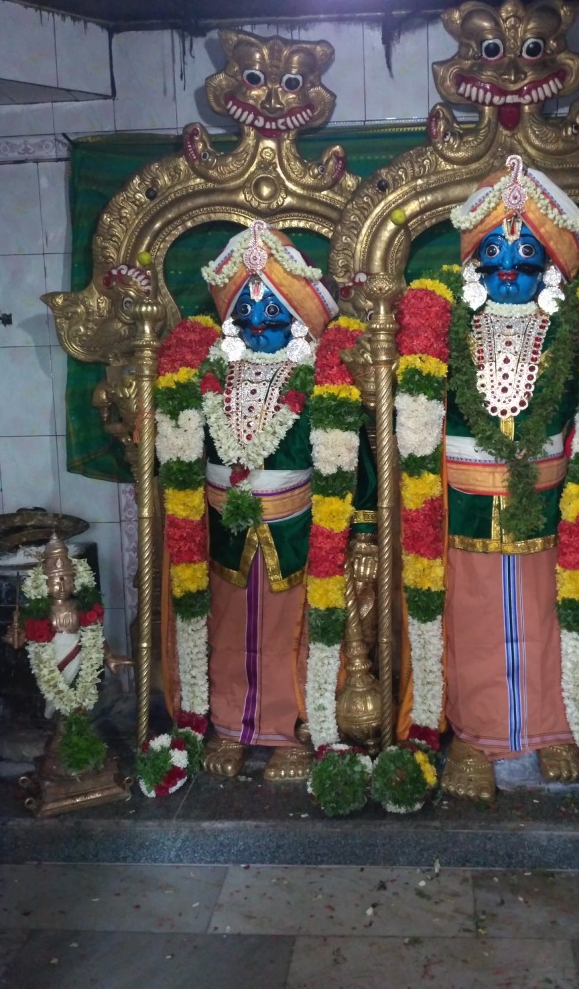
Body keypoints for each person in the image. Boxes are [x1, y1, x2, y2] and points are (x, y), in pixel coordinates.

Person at [395, 154, 579, 801]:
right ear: (473, 262)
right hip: (464, 513)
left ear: (552, 265)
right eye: (495, 254)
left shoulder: (574, 331)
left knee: (544, 621)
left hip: (550, 514)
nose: (508, 268)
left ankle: (554, 732)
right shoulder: (445, 330)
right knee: (473, 622)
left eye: (526, 254)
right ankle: (474, 741)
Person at [156, 222, 345, 779]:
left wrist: (355, 530)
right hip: (221, 526)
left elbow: (348, 461)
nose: (260, 327)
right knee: (229, 627)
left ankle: (294, 733)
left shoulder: (320, 378)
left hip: (297, 527)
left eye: (273, 315)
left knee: (292, 631)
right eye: (247, 315)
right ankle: (228, 727)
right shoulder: (206, 374)